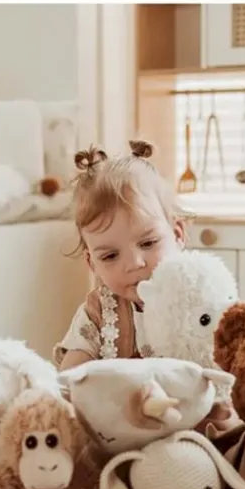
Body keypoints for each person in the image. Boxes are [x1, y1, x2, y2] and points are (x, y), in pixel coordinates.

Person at [53, 139, 187, 370]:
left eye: (148, 243)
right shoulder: (98, 312)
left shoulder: (197, 296)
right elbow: (69, 380)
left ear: (177, 235)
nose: (134, 264)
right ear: (92, 264)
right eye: (110, 256)